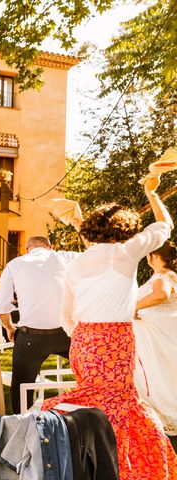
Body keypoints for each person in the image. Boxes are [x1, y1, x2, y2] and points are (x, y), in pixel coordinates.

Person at [42, 175, 177, 478]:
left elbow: (67, 317)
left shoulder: (77, 262)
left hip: (84, 341)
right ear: (124, 230)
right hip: (113, 340)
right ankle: (120, 469)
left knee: (102, 406)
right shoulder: (123, 253)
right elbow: (164, 227)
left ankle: (94, 464)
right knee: (116, 408)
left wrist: (85, 337)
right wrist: (151, 193)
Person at [0, 235, 78, 413]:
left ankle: (22, 419)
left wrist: (10, 328)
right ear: (51, 247)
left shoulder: (15, 264)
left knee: (20, 386)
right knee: (88, 374)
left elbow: (2, 306)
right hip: (67, 334)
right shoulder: (67, 257)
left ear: (27, 248)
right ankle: (86, 409)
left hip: (32, 337)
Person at [134, 240, 177, 436]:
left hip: (157, 336)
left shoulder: (162, 276)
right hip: (162, 333)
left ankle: (165, 415)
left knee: (161, 375)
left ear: (155, 256)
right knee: (167, 373)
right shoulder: (170, 274)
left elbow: (161, 295)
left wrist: (134, 307)